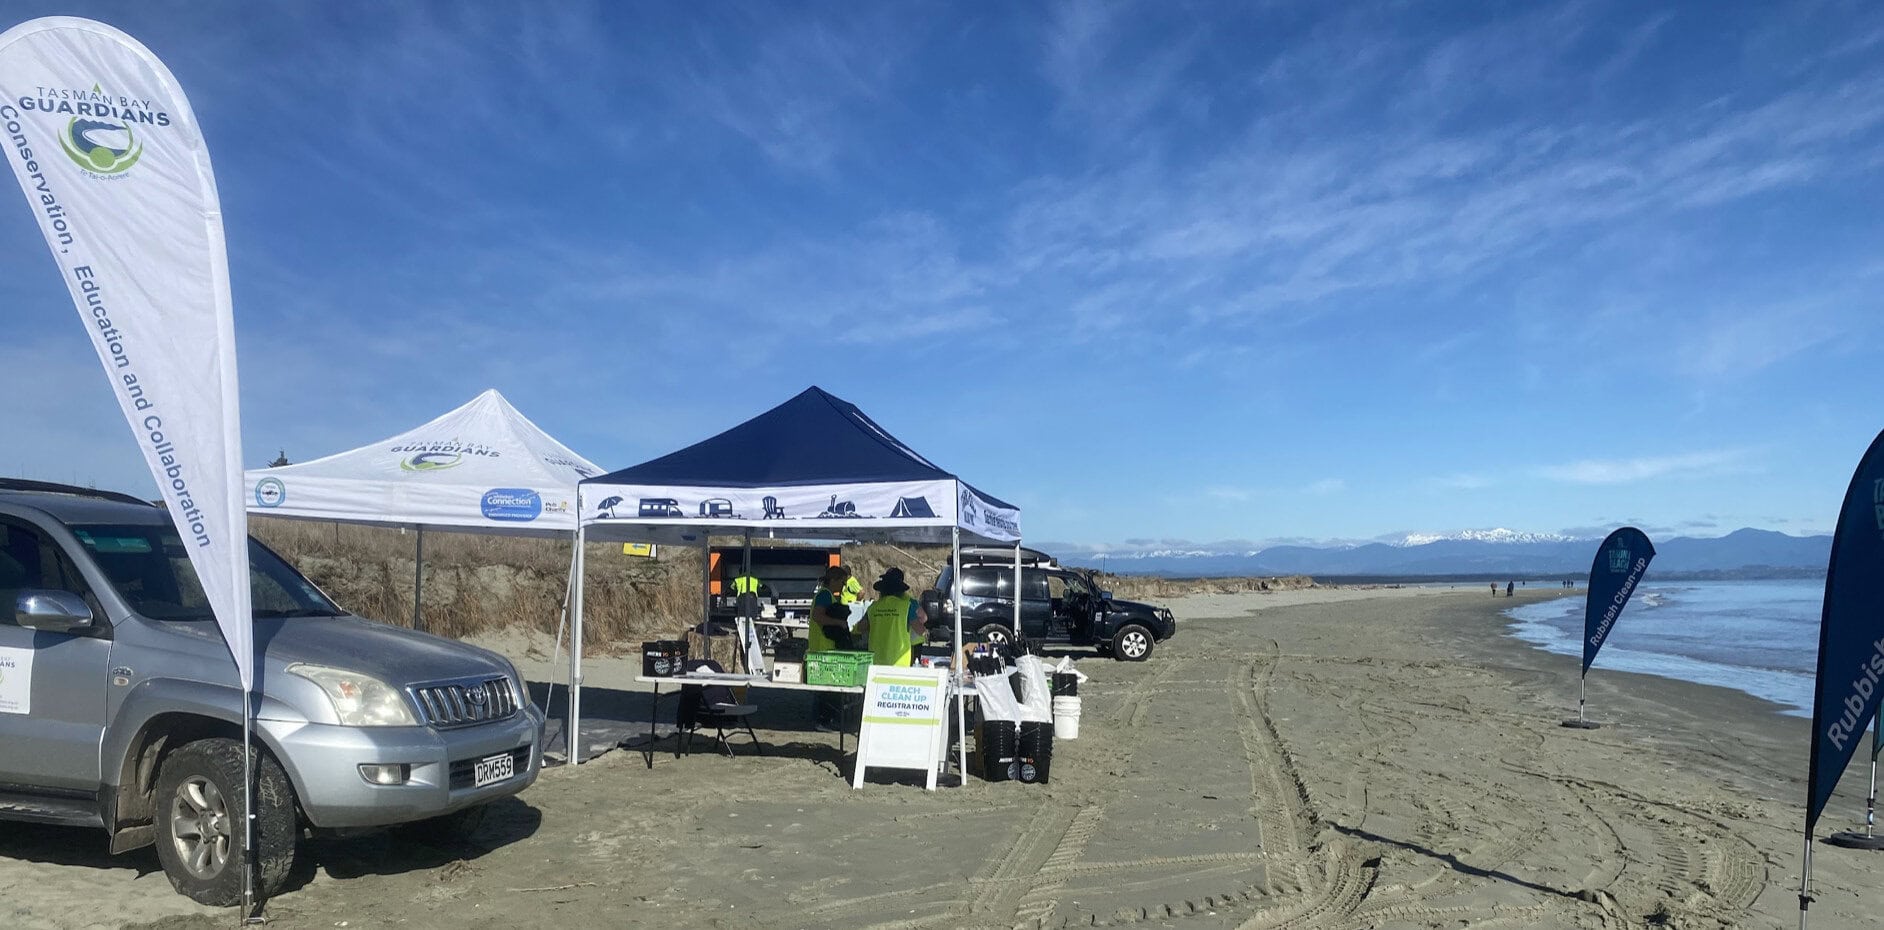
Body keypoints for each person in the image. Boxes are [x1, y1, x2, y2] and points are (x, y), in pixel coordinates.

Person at [857, 567, 926, 667]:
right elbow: (920, 631)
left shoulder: (873, 607)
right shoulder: (906, 606)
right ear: (900, 590)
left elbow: (861, 627)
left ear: (882, 590)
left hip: (876, 662)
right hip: (899, 663)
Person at [808, 565, 856, 652]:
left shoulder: (828, 595)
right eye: (842, 582)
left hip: (823, 647)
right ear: (833, 580)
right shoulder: (825, 594)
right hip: (823, 647)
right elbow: (817, 616)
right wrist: (840, 623)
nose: (843, 586)